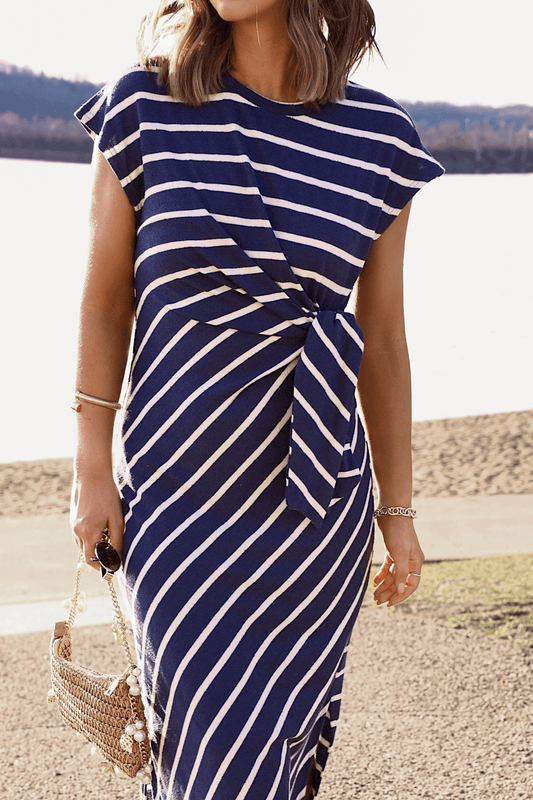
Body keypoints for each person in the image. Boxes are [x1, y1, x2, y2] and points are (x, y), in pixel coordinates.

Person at [70, 0, 443, 797]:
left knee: (267, 761)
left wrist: (398, 512)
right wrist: (89, 467)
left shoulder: (379, 140)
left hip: (311, 512)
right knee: (199, 756)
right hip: (179, 502)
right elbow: (104, 302)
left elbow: (381, 339)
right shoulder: (145, 106)